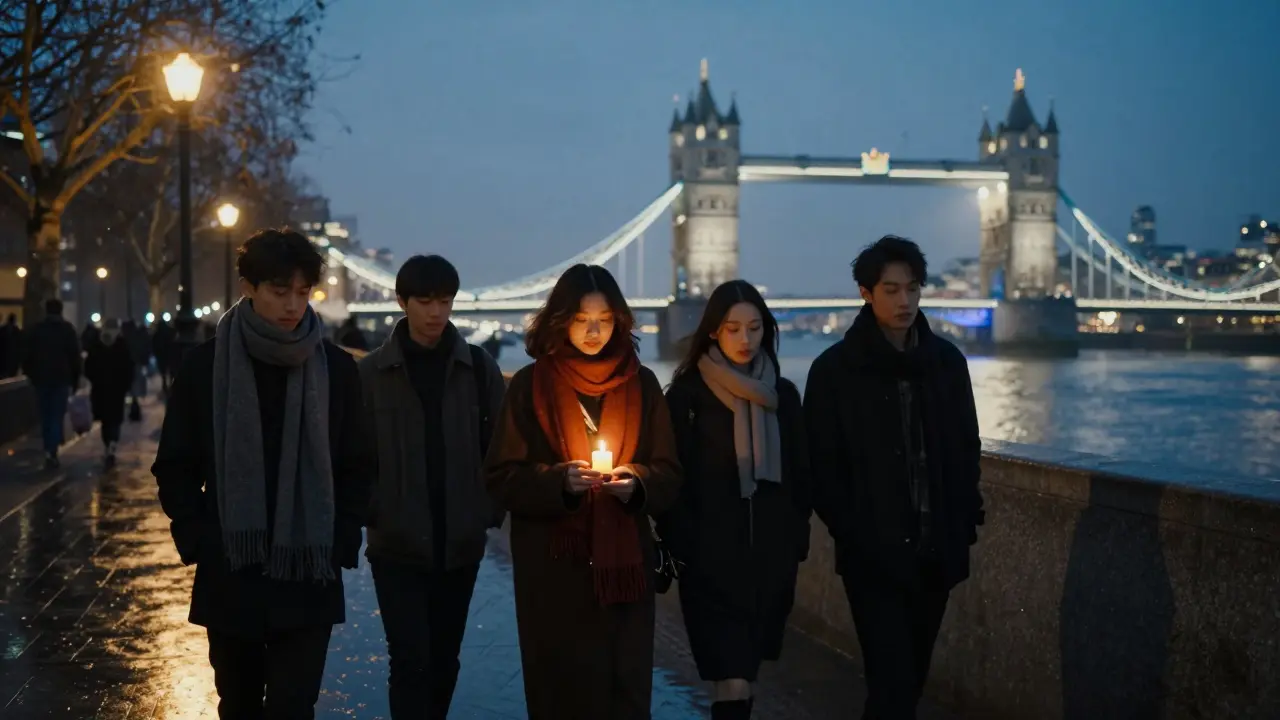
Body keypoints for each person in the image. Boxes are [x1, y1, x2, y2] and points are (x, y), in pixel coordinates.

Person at [152, 228, 375, 718]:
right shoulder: (205, 367)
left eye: (303, 291)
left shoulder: (336, 369)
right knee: (240, 704)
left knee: (296, 705)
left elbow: (359, 464)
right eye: (280, 290)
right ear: (248, 287)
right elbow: (176, 466)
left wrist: (340, 537)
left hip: (308, 571)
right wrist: (201, 537)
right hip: (233, 568)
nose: (294, 304)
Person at [484, 263, 682, 719]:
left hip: (624, 577)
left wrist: (637, 483)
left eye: (605, 319)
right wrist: (560, 483)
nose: (594, 331)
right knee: (562, 696)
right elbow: (499, 476)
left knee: (624, 694)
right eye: (581, 319)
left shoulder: (642, 384)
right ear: (560, 320)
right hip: (553, 575)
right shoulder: (530, 387)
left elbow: (669, 472)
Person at [804, 236, 984, 719]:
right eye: (890, 290)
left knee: (909, 685)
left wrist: (963, 522)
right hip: (873, 559)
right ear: (865, 292)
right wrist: (853, 531)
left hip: (936, 553)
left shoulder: (949, 364)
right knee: (891, 683)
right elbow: (820, 466)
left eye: (912, 288)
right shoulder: (833, 372)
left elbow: (967, 449)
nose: (904, 301)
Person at [358, 255, 506, 719]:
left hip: (460, 543)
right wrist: (377, 509)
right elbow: (354, 457)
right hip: (396, 544)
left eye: (445, 301)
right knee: (409, 661)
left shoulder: (479, 371)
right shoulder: (370, 376)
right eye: (425, 301)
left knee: (444, 660)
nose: (436, 313)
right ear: (402, 302)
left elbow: (500, 450)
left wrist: (483, 512)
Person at [659, 279, 811, 720]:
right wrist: (683, 544)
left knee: (739, 678)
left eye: (755, 328)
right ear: (713, 331)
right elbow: (674, 479)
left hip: (768, 563)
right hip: (708, 563)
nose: (745, 340)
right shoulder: (686, 397)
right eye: (732, 329)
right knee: (732, 675)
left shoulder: (783, 397)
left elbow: (801, 477)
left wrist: (793, 542)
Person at [21, 298, 82, 469]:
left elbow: (27, 355)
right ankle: (52, 450)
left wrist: (31, 374)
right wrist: (75, 379)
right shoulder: (67, 330)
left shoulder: (37, 330)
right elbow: (74, 357)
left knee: (45, 415)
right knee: (56, 414)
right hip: (61, 378)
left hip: (41, 378)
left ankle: (48, 446)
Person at [84, 318, 135, 467]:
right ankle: (113, 443)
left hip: (100, 389)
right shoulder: (122, 345)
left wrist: (95, 379)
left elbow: (88, 367)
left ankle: (107, 444)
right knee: (116, 418)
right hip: (117, 389)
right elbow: (129, 367)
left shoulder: (97, 345)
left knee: (105, 420)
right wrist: (126, 385)